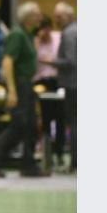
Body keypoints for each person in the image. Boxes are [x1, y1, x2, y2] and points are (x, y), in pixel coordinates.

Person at [0, 1, 46, 178]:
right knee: (19, 125)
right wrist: (12, 91)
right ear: (28, 17)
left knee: (31, 126)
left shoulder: (28, 34)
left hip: (27, 84)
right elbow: (7, 62)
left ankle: (28, 164)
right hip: (19, 84)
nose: (40, 17)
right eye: (37, 14)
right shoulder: (17, 35)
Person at [33, 16, 65, 167]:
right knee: (45, 119)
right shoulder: (35, 42)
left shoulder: (59, 38)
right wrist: (37, 43)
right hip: (41, 82)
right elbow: (32, 61)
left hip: (58, 80)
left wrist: (50, 60)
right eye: (41, 30)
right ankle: (47, 154)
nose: (44, 33)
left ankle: (59, 152)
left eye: (46, 30)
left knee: (60, 118)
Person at [50, 2, 77, 172]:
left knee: (74, 123)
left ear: (68, 15)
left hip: (73, 83)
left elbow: (70, 61)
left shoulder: (69, 33)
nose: (56, 20)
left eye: (59, 16)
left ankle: (75, 162)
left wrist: (49, 61)